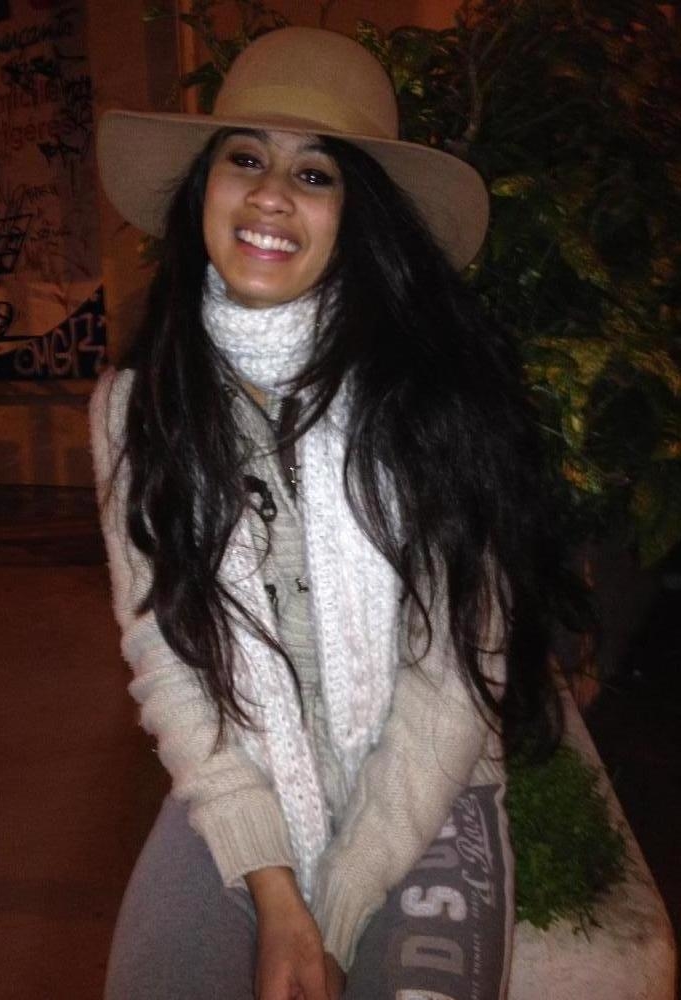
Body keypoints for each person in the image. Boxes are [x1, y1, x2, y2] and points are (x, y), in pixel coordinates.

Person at [91, 26, 561, 1000]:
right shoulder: (138, 409)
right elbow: (168, 657)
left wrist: (336, 909)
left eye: (315, 174)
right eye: (246, 158)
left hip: (426, 790)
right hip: (245, 779)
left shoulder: (434, 400)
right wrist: (273, 884)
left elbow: (455, 680)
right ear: (204, 189)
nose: (270, 194)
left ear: (360, 216)